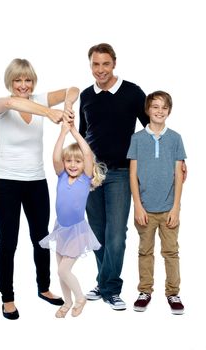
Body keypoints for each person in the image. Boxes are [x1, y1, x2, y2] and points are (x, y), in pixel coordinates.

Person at [0, 58, 79, 320]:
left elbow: (73, 89)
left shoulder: (40, 97)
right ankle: (7, 298)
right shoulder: (1, 104)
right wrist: (49, 112)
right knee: (8, 242)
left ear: (33, 81)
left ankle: (44, 288)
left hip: (36, 182)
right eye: (17, 80)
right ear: (10, 81)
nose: (22, 85)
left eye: (27, 79)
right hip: (6, 182)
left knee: (41, 238)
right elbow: (11, 103)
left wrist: (65, 105)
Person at [79, 43, 150, 310]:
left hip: (121, 173)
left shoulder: (132, 92)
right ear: (91, 65)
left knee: (116, 235)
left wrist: (169, 156)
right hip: (91, 174)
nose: (100, 70)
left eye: (105, 64)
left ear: (114, 64)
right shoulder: (86, 95)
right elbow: (84, 135)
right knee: (97, 233)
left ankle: (110, 288)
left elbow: (150, 128)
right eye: (95, 64)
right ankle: (104, 282)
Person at [127, 90, 186, 315]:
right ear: (147, 110)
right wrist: (138, 206)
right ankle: (144, 291)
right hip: (145, 210)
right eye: (155, 107)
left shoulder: (175, 138)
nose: (159, 111)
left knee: (171, 252)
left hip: (169, 209)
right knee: (145, 251)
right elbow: (132, 175)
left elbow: (179, 175)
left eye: (164, 107)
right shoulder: (137, 139)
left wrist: (176, 208)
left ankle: (173, 293)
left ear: (169, 111)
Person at [39, 120, 106, 318]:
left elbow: (86, 153)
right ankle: (67, 302)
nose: (72, 165)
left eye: (77, 162)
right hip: (61, 228)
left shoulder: (85, 178)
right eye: (69, 161)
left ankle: (80, 298)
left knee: (63, 271)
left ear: (84, 165)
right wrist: (62, 133)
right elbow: (55, 156)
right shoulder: (61, 175)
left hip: (77, 231)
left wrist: (74, 131)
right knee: (60, 269)